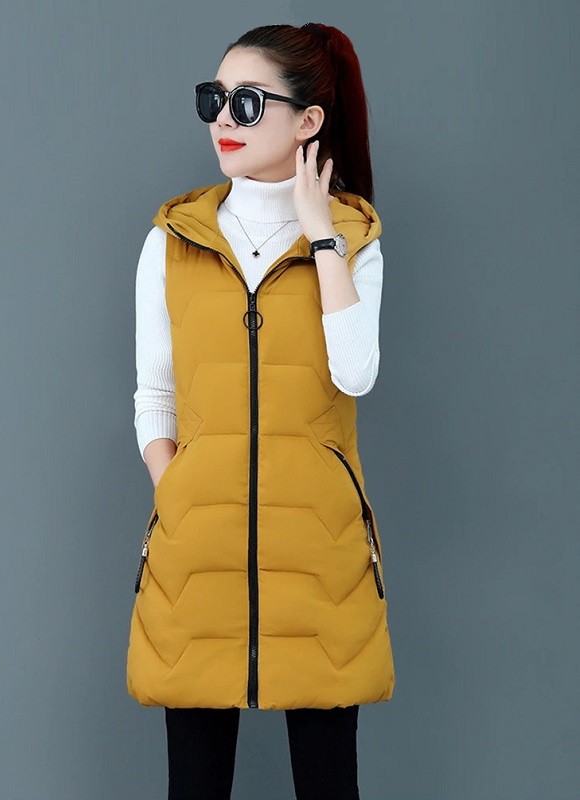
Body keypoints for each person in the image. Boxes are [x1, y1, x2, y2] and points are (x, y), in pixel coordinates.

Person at [126, 22, 396, 800]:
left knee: (328, 787)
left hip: (322, 562)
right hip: (196, 558)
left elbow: (356, 374)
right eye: (213, 99)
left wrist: (320, 237)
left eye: (245, 102)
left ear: (308, 120)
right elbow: (154, 396)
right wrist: (180, 492)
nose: (222, 119)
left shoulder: (353, 238)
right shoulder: (173, 241)